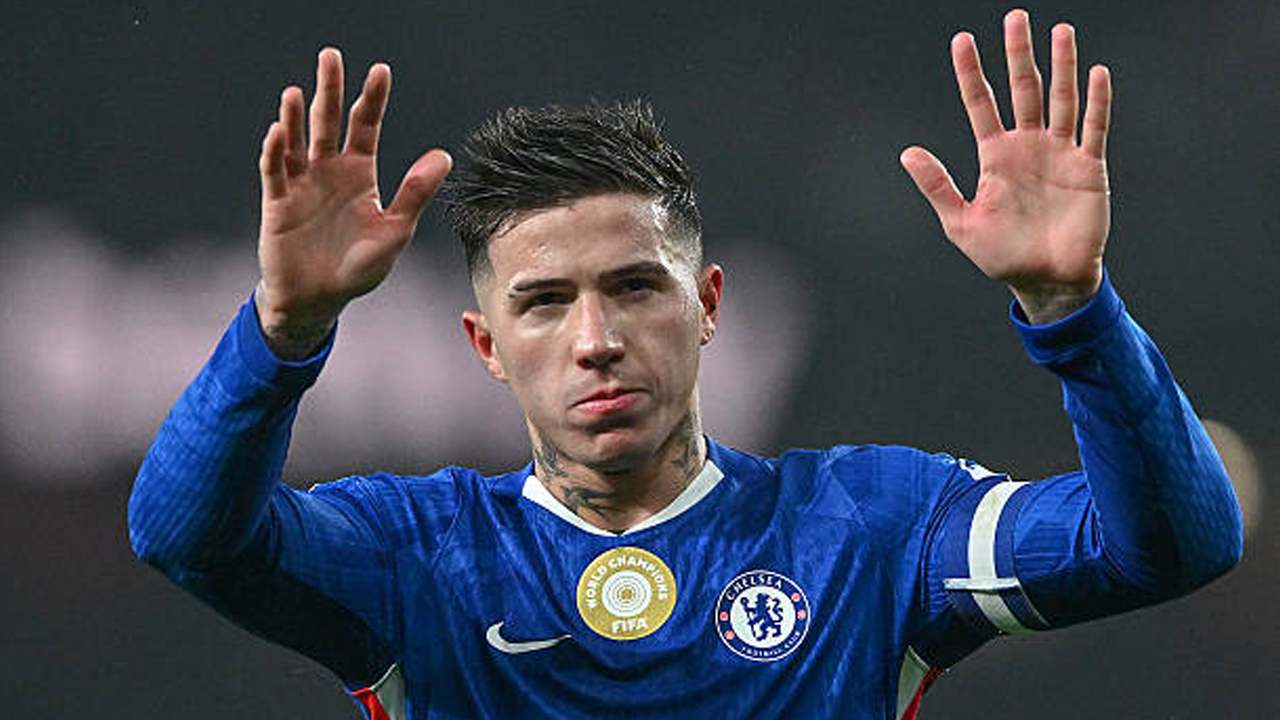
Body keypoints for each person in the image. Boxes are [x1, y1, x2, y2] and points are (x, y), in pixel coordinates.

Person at [128, 9, 1242, 720]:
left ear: (706, 305)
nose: (596, 338)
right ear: (485, 348)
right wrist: (281, 332)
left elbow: (1170, 547)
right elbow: (183, 536)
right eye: (544, 302)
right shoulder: (419, 557)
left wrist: (1072, 312)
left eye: (633, 286)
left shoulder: (867, 529)